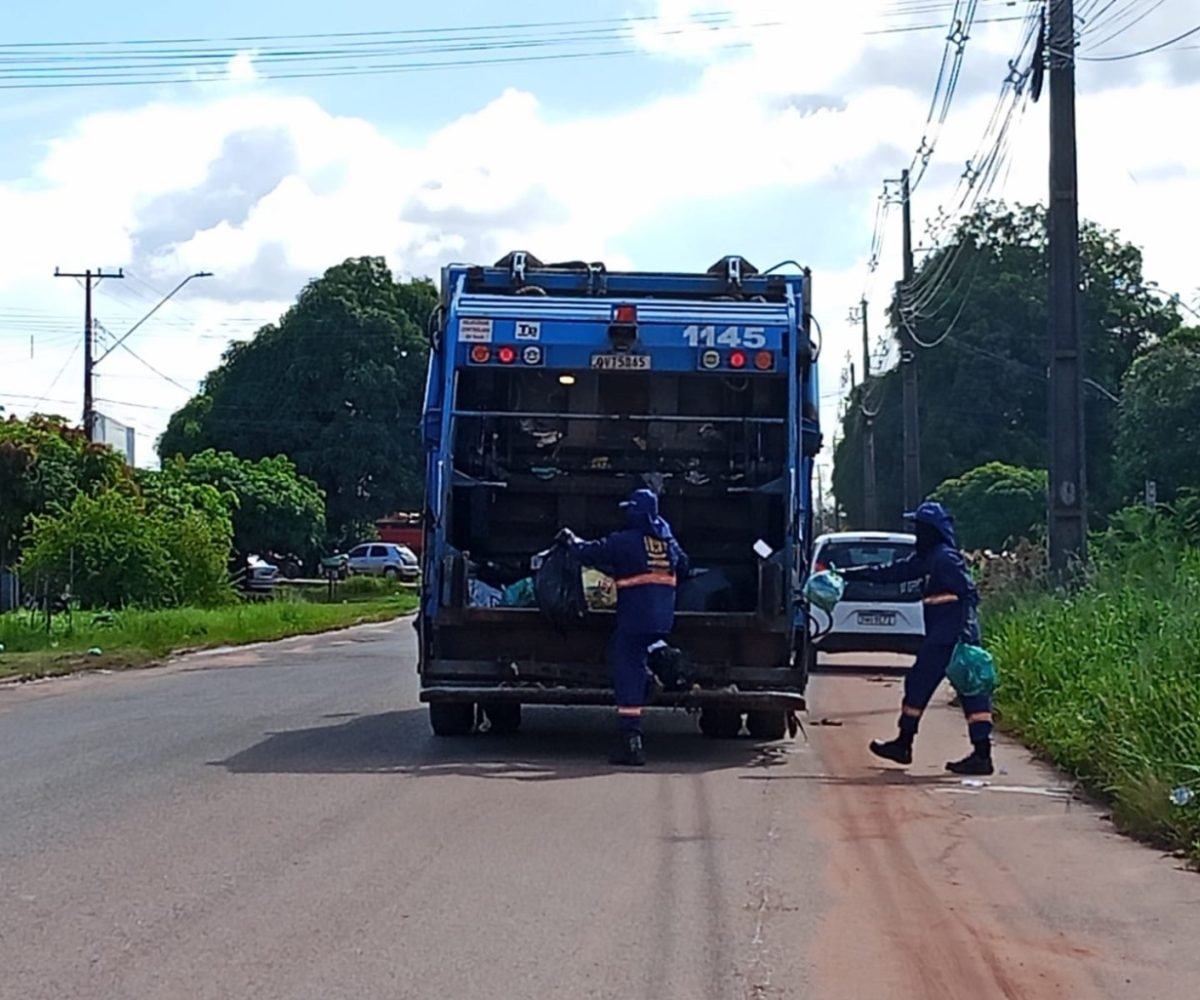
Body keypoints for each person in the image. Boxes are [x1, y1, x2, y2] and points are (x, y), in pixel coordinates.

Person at [836, 501, 994, 776]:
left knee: (943, 687)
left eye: (919, 528)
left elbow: (968, 594)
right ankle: (975, 754)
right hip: (944, 634)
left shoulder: (944, 558)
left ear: (931, 531)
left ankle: (909, 745)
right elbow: (891, 573)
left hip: (951, 636)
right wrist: (848, 575)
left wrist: (966, 635)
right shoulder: (928, 558)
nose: (916, 533)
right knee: (965, 692)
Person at [557, 489, 689, 766]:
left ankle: (632, 741)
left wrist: (571, 541)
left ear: (635, 512)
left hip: (635, 619)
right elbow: (685, 566)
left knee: (627, 670)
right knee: (647, 648)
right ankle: (664, 660)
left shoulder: (626, 541)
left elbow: (590, 552)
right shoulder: (667, 543)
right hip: (662, 618)